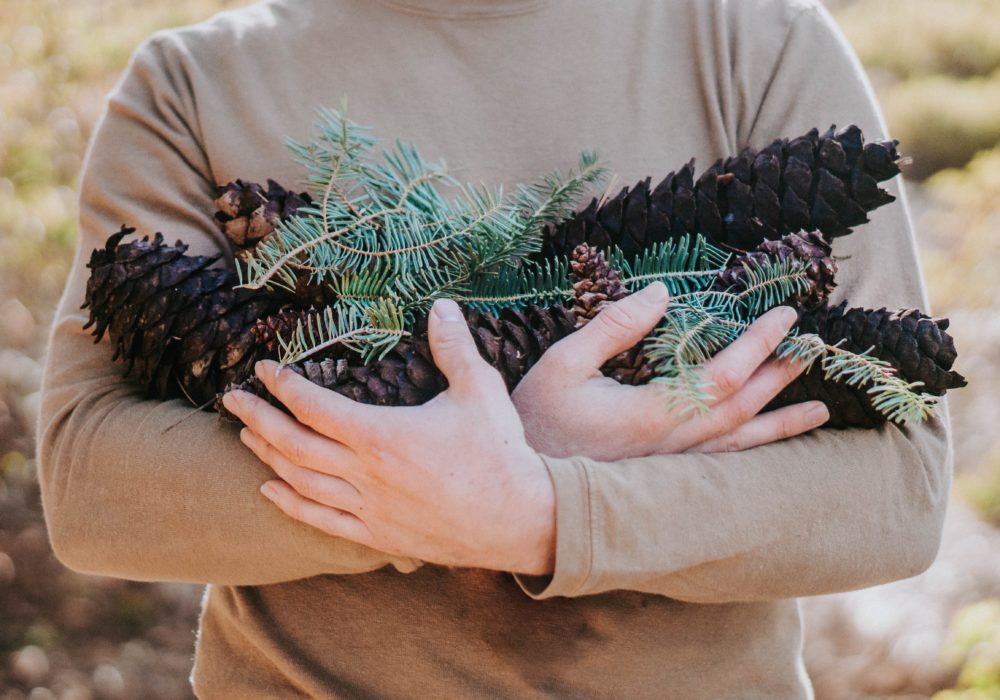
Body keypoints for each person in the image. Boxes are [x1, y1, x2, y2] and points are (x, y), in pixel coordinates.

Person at [38, 0, 952, 696]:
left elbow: (898, 487)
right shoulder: (196, 80)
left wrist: (549, 510)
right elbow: (90, 484)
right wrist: (454, 480)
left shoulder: (755, 39)